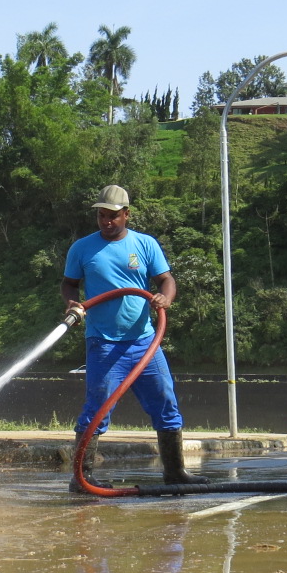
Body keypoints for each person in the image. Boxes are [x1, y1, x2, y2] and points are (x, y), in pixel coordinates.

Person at [61, 184, 206, 488]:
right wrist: (72, 303)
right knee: (98, 407)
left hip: (144, 342)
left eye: (113, 216)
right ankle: (82, 476)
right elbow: (69, 284)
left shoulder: (145, 244)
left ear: (126, 214)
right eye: (102, 216)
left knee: (166, 403)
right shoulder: (82, 248)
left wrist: (165, 299)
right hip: (103, 342)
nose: (106, 221)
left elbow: (166, 280)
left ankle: (175, 472)